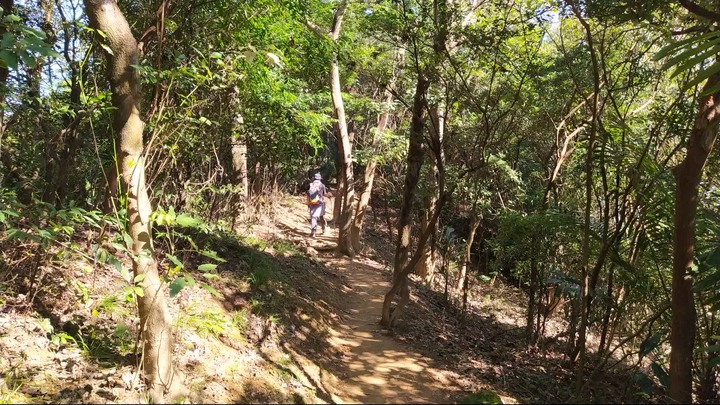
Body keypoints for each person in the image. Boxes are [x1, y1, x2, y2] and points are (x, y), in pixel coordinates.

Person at [306, 172, 327, 237]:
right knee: (321, 216)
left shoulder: (310, 185)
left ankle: (313, 232)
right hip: (320, 203)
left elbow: (308, 194)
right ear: (320, 179)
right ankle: (323, 229)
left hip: (312, 202)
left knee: (313, 217)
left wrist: (308, 202)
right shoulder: (322, 185)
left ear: (314, 179)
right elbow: (324, 194)